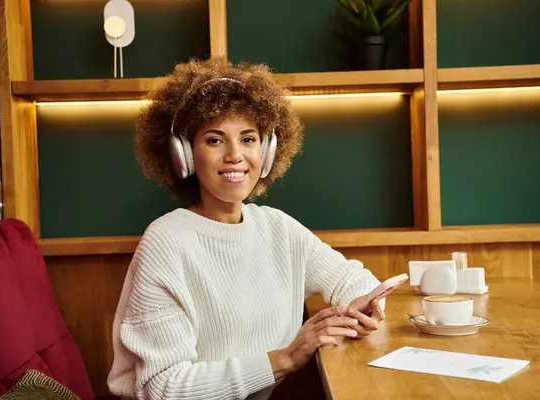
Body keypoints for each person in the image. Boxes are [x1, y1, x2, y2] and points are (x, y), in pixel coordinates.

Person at [107, 58, 386, 400]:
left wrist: (365, 306)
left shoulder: (277, 228)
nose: (235, 155)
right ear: (185, 155)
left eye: (249, 139)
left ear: (267, 152)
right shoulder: (165, 243)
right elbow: (163, 387)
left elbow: (349, 280)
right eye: (214, 140)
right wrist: (285, 358)